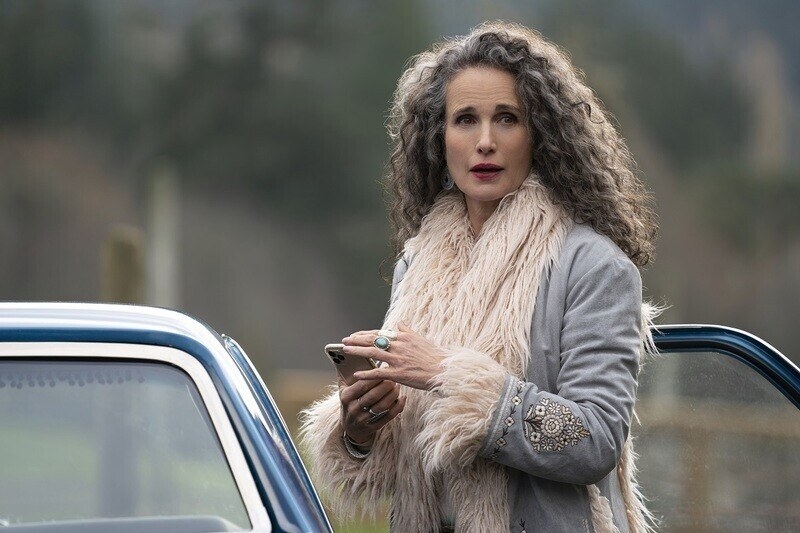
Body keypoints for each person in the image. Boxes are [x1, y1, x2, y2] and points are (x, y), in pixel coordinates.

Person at [301, 21, 659, 533]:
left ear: (541, 136)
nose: (485, 141)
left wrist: (452, 376)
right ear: (438, 137)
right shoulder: (418, 262)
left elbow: (595, 438)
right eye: (465, 119)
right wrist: (361, 428)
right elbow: (404, 456)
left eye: (507, 119)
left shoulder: (596, 267)